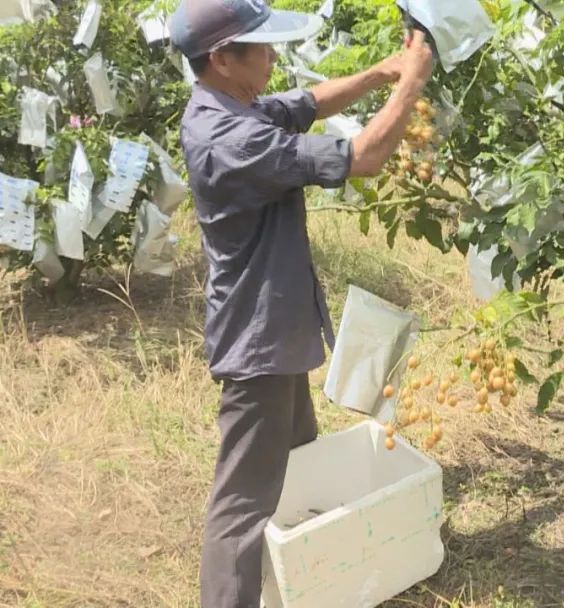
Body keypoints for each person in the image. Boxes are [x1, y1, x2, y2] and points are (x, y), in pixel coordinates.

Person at [166, 1, 433, 605]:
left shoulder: (228, 103)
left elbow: (306, 103)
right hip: (257, 343)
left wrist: (377, 74)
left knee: (297, 463)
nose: (271, 56)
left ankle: (303, 577)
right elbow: (362, 157)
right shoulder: (233, 137)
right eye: (259, 48)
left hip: (275, 331)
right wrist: (412, 84)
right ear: (222, 60)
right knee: (241, 506)